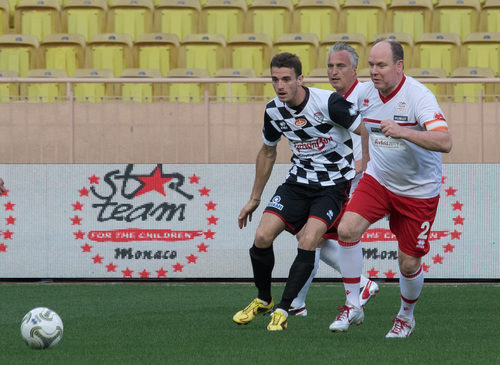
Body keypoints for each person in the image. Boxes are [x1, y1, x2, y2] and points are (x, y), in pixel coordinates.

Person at [330, 39, 452, 337]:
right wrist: (366, 158)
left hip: (418, 190)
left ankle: (405, 316)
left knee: (408, 263)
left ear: (399, 66)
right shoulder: (364, 93)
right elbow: (357, 123)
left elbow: (445, 142)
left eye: (381, 65)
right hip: (379, 180)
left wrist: (404, 132)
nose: (374, 71)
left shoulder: (418, 96)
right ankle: (352, 303)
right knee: (346, 230)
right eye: (371, 65)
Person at [232, 52, 362, 331]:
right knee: (262, 236)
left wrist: (370, 168)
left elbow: (370, 133)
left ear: (300, 79)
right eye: (275, 80)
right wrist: (254, 199)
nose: (280, 86)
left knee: (309, 241)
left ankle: (284, 308)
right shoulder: (273, 110)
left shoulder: (329, 103)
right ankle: (264, 300)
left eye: (287, 79)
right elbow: (268, 152)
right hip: (298, 182)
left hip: (332, 186)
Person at [289, 42, 379, 317]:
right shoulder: (327, 99)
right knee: (310, 236)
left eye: (340, 66)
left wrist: (367, 162)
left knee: (313, 235)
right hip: (330, 179)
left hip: (353, 181)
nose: (334, 71)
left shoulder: (367, 94)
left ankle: (300, 303)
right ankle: (298, 303)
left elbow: (376, 130)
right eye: (330, 66)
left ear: (354, 69)